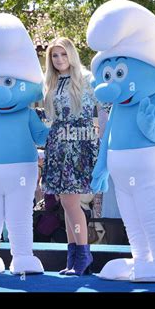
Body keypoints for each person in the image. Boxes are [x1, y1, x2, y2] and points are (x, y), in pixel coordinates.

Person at [42, 37, 99, 275]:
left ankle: (84, 255)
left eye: (63, 54)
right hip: (58, 143)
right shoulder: (51, 82)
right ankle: (74, 258)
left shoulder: (87, 79)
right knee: (65, 203)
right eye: (55, 55)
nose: (59, 60)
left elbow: (105, 108)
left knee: (71, 202)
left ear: (72, 55)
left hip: (78, 143)